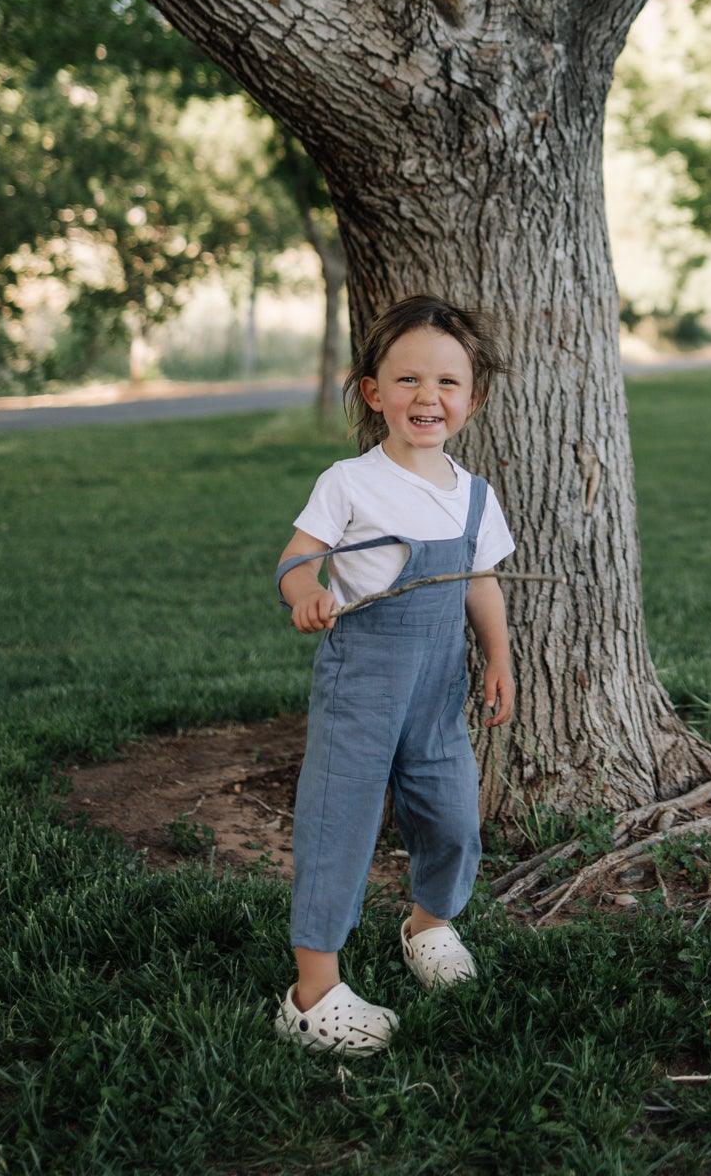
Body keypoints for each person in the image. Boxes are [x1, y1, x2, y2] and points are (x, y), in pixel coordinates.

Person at [272, 294, 515, 1054]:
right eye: (407, 379)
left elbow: (481, 583)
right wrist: (307, 592)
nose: (427, 396)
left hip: (437, 695)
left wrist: (499, 657)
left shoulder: (474, 496)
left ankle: (429, 925)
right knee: (337, 824)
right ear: (374, 392)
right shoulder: (350, 482)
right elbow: (297, 559)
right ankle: (312, 994)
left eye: (447, 382)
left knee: (452, 817)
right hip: (361, 686)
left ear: (473, 397)